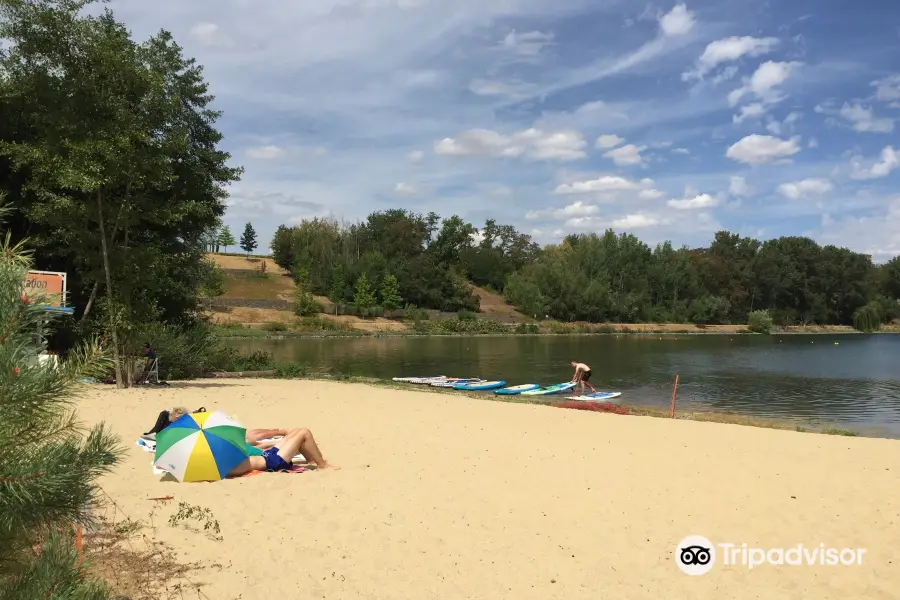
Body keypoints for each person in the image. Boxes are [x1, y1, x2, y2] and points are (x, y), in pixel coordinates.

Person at [229, 427, 339, 475]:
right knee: (305, 432)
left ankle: (311, 460)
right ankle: (322, 465)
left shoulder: (230, 457)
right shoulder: (231, 466)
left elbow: (255, 448)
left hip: (269, 455)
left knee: (298, 431)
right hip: (273, 462)